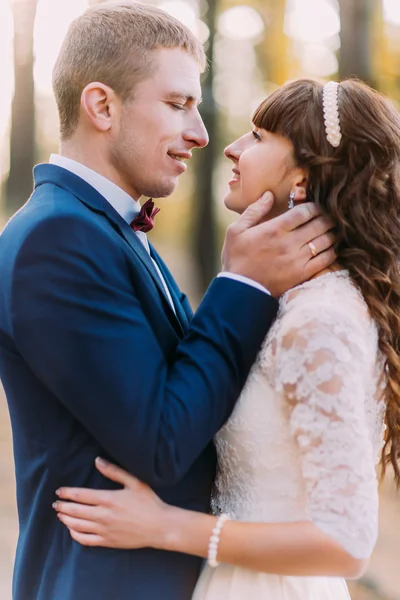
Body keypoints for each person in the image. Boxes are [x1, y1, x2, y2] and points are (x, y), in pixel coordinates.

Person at [0, 4, 334, 600]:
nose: (202, 134)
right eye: (179, 104)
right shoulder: (57, 239)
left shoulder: (105, 229)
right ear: (102, 106)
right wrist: (244, 285)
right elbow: (162, 443)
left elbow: (186, 387)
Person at [54, 78, 400, 600]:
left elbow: (347, 540)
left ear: (303, 176)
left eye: (258, 137)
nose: (232, 148)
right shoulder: (290, 301)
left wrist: (164, 526)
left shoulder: (321, 321)